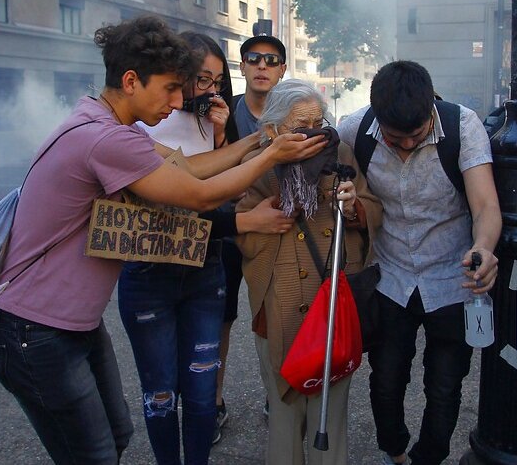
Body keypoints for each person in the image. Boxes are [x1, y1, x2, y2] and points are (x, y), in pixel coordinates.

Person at [0, 16, 326, 464]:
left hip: (70, 325)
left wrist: (260, 137)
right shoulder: (106, 140)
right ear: (130, 81)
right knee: (96, 452)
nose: (181, 101)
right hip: (34, 329)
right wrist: (272, 155)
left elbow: (189, 166)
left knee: (118, 434)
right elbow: (198, 193)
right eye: (170, 88)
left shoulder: (104, 121)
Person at [116, 31, 293, 464]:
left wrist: (221, 137)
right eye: (197, 80)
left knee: (200, 390)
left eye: (216, 81)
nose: (207, 92)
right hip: (149, 271)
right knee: (160, 392)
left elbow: (216, 188)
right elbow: (189, 194)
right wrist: (257, 158)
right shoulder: (137, 125)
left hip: (203, 266)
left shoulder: (212, 118)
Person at [338, 61, 501, 465]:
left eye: (417, 135)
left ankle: (429, 457)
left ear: (431, 108)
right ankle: (394, 449)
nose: (407, 145)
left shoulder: (463, 126)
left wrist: (484, 247)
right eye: (396, 139)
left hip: (452, 276)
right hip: (391, 276)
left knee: (445, 385)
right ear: (377, 117)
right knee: (386, 380)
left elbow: (485, 205)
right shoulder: (354, 130)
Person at [236, 79, 382, 465]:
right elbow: (238, 229)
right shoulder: (256, 164)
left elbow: (371, 206)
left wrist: (352, 208)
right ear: (272, 130)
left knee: (330, 416)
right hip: (280, 302)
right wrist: (259, 220)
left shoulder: (341, 151)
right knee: (284, 413)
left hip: (333, 300)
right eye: (302, 125)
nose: (315, 132)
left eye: (319, 121)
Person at [215, 33, 290, 433]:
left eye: (271, 60)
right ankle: (213, 401)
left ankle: (275, 393)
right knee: (220, 319)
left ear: (282, 70)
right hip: (228, 230)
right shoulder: (222, 113)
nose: (262, 66)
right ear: (242, 67)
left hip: (274, 230)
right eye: (254, 59)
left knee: (274, 316)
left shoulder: (296, 113)